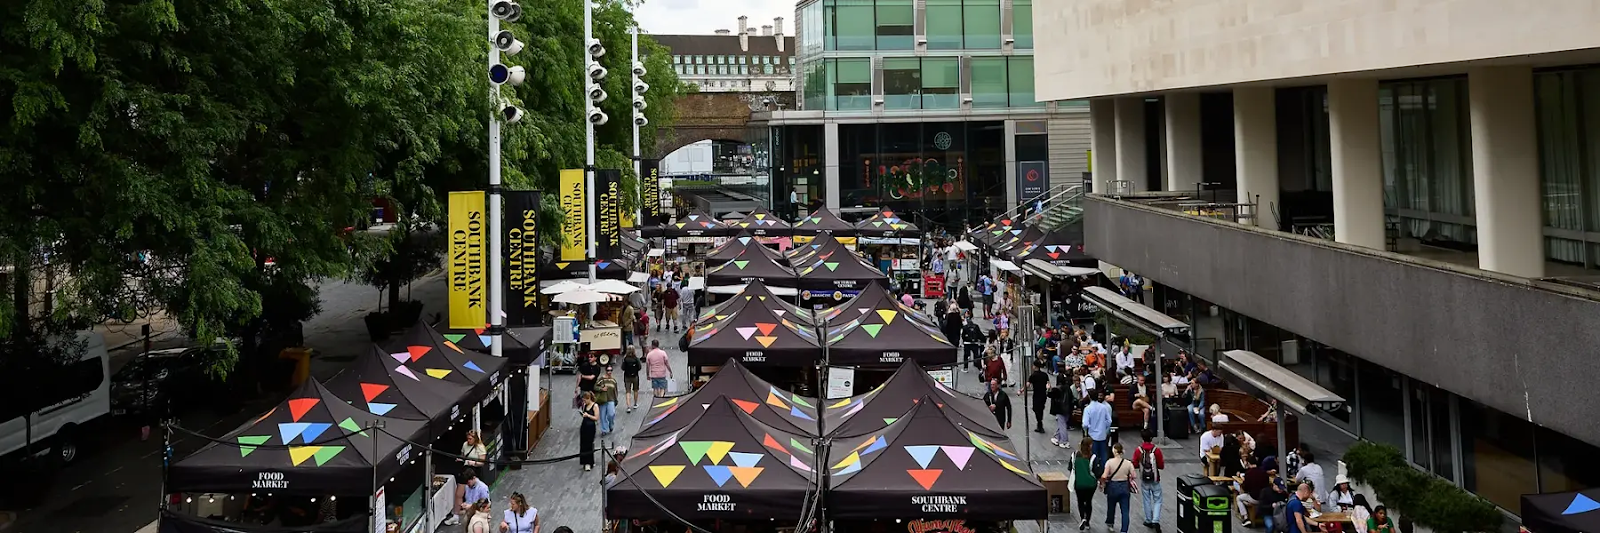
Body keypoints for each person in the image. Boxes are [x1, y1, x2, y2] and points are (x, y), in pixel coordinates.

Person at [1099, 442, 1137, 533]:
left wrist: (1102, 483)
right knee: (1125, 510)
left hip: (1113, 487)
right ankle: (1124, 530)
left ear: (1114, 451)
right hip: (1124, 487)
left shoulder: (1109, 462)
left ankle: (1110, 523)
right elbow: (1134, 475)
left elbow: (1104, 476)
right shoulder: (1128, 463)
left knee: (1111, 507)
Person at [1130, 429, 1165, 528]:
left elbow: (1135, 464)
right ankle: (1156, 519)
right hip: (1155, 478)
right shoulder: (1156, 450)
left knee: (1146, 499)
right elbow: (1161, 465)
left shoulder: (1138, 450)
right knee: (1158, 499)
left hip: (1144, 478)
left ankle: (1148, 519)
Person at [1072, 437, 1099, 531]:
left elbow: (1070, 467)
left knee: (1080, 501)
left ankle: (1082, 518)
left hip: (1079, 483)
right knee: (1088, 502)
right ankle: (1087, 522)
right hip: (1091, 484)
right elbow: (1097, 472)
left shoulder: (1075, 455)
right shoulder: (1093, 457)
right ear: (1090, 446)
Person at [1082, 391, 1113, 462]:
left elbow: (1085, 424)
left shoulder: (1088, 409)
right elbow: (1109, 421)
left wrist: (1088, 429)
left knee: (1093, 456)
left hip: (1092, 435)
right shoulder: (1104, 407)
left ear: (1089, 397)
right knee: (1103, 455)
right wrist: (1104, 428)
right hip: (1102, 435)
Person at [594, 365, 618, 435]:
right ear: (605, 370)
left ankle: (611, 425)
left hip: (611, 399)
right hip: (602, 400)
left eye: (611, 370)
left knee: (611, 414)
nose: (609, 372)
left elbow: (615, 391)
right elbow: (595, 387)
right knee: (602, 415)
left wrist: (616, 399)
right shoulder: (601, 379)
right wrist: (601, 389)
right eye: (608, 370)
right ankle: (604, 430)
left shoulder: (613, 380)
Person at [579, 392, 599, 471]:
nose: (584, 402)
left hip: (591, 427)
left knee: (589, 444)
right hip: (584, 425)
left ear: (589, 398)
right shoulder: (584, 405)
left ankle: (589, 462)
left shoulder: (595, 406)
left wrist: (588, 415)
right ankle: (584, 461)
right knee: (583, 444)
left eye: (585, 400)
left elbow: (596, 418)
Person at [1049, 374, 1071, 447]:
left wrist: (1048, 388)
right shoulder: (1068, 388)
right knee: (1062, 424)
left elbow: (1049, 394)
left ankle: (1064, 441)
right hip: (1068, 409)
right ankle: (1057, 437)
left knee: (1062, 425)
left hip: (1060, 409)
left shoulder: (1057, 389)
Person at [1027, 362, 1049, 432]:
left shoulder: (1033, 376)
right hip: (1043, 394)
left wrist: (1021, 391)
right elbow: (1048, 384)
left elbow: (1027, 385)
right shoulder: (1045, 375)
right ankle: (1040, 423)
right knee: (1041, 408)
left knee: (1036, 409)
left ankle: (1040, 423)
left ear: (1035, 366)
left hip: (1036, 394)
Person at [620, 346, 642, 412]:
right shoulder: (636, 359)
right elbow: (640, 367)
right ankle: (635, 404)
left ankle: (628, 407)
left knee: (628, 391)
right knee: (635, 390)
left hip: (627, 376)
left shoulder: (625, 359)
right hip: (635, 376)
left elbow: (622, 368)